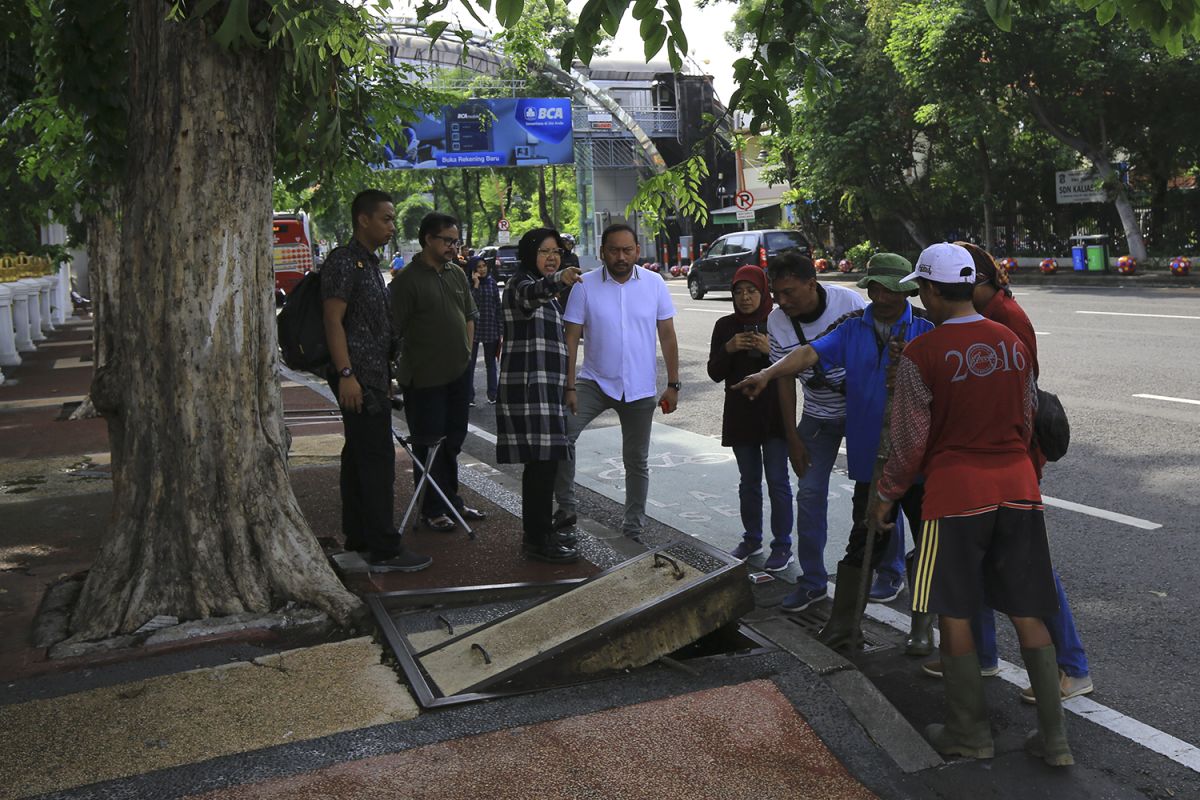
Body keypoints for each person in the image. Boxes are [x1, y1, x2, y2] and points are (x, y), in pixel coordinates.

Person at [873, 242, 1072, 766]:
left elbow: (910, 440)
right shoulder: (1010, 341)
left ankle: (968, 733)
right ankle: (1055, 741)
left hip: (956, 494)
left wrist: (887, 495)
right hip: (1019, 487)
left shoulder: (923, 353)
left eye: (921, 290)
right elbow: (1029, 415)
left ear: (933, 290)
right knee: (1029, 609)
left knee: (955, 610)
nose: (921, 298)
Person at [916, 242, 1094, 704]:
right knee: (980, 561)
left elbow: (1019, 393)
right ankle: (982, 656)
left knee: (1029, 574)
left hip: (1006, 456)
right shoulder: (985, 314)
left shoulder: (1004, 320)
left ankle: (1072, 665)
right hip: (1001, 457)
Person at [735, 254, 934, 651]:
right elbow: (808, 355)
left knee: (926, 539)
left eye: (890, 289)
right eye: (874, 288)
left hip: (913, 456)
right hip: (867, 453)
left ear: (907, 291)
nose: (881, 296)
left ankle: (922, 627)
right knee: (865, 534)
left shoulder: (926, 333)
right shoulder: (853, 329)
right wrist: (766, 373)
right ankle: (843, 623)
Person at [320, 189, 430, 573]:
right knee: (377, 460)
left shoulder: (368, 264)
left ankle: (362, 536)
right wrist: (347, 374)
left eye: (392, 219)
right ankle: (385, 546)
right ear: (363, 219)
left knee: (360, 457)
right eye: (385, 218)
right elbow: (333, 321)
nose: (391, 226)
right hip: (356, 378)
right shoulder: (344, 262)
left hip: (373, 377)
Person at [554, 223, 680, 540]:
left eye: (627, 250)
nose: (621, 256)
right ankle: (566, 509)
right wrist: (569, 386)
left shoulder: (654, 283)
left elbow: (667, 334)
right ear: (602, 252)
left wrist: (673, 384)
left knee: (636, 461)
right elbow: (570, 339)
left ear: (637, 250)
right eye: (614, 250)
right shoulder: (584, 286)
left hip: (639, 389)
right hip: (594, 383)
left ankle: (633, 528)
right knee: (562, 436)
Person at [763, 253, 866, 611]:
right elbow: (784, 378)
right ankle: (813, 581)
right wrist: (792, 438)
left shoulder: (848, 303)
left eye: (789, 292)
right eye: (777, 294)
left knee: (875, 494)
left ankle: (889, 571)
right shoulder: (776, 322)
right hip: (818, 417)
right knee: (808, 496)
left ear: (812, 284)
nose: (783, 302)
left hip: (860, 414)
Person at [389, 211, 488, 532]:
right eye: (446, 240)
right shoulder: (406, 281)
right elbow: (392, 331)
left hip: (458, 374)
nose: (452, 246)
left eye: (455, 241)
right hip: (423, 378)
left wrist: (467, 354)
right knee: (428, 444)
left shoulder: (457, 273)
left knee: (453, 441)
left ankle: (452, 501)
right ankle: (432, 508)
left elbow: (469, 315)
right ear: (428, 239)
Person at [497, 229, 584, 562]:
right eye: (545, 251)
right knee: (540, 467)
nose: (552, 256)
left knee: (545, 466)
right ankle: (536, 540)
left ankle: (542, 534)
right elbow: (530, 295)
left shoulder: (547, 293)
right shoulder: (520, 284)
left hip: (546, 392)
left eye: (557, 251)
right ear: (529, 254)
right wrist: (560, 278)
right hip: (530, 391)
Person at [707, 265, 794, 570]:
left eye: (752, 291)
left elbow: (799, 365)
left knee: (778, 480)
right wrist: (729, 348)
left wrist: (772, 350)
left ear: (763, 292)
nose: (745, 297)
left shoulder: (779, 321)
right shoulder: (724, 326)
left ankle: (782, 545)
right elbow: (714, 373)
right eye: (739, 292)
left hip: (773, 414)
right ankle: (751, 538)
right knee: (749, 482)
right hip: (740, 415)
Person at [469, 259, 502, 407]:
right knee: (470, 364)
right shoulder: (469, 285)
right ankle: (469, 396)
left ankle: (493, 395)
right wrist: (475, 285)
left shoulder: (492, 283)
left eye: (484, 266)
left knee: (491, 364)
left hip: (490, 328)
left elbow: (498, 307)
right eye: (478, 267)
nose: (482, 269)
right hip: (473, 330)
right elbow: (469, 306)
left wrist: (501, 330)